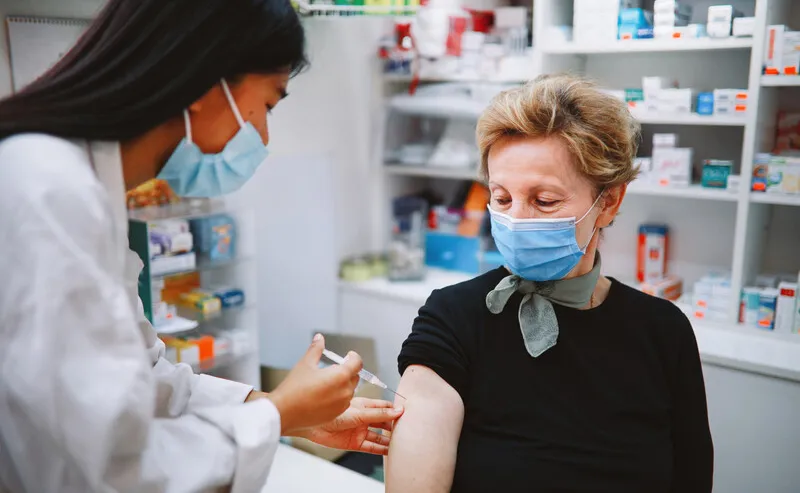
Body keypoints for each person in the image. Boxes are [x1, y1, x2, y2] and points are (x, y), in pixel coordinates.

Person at [0, 0, 403, 491]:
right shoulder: (48, 191)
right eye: (270, 104)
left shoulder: (82, 189)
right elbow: (107, 471)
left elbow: (143, 381)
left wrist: (279, 411)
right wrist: (276, 414)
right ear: (205, 81)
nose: (263, 133)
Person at [385, 75, 714, 493]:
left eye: (545, 201)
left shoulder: (663, 331)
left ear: (609, 200)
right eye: (502, 198)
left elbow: (692, 478)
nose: (517, 220)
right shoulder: (453, 319)